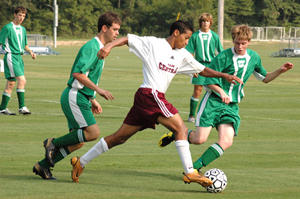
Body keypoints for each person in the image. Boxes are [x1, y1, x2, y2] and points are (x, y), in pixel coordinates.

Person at [69, 20, 243, 187]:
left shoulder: (182, 55)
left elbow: (203, 70)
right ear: (176, 33)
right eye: (186, 38)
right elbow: (127, 39)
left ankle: (81, 162)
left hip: (146, 100)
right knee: (180, 129)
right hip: (150, 94)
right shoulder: (153, 44)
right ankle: (190, 172)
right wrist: (108, 46)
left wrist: (224, 76)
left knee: (119, 138)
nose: (187, 42)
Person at [158, 25, 293, 173]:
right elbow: (206, 79)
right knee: (199, 139)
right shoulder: (223, 57)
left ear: (249, 42)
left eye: (243, 43)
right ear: (233, 40)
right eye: (237, 42)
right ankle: (176, 133)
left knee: (226, 141)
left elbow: (265, 78)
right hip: (213, 102)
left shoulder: (254, 58)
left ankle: (194, 169)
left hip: (231, 106)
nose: (240, 46)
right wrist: (221, 91)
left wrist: (281, 70)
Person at [32, 12, 121, 180]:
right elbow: (78, 74)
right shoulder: (92, 47)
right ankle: (53, 142)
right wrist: (99, 91)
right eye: (115, 29)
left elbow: (88, 75)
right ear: (104, 28)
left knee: (78, 142)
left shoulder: (100, 49)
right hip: (75, 96)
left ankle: (42, 166)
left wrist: (92, 98)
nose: (117, 33)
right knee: (93, 132)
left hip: (82, 96)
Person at [186, 13, 223, 123]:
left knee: (216, 90)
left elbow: (221, 53)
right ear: (200, 23)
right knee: (198, 90)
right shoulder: (195, 36)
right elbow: (190, 53)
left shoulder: (215, 36)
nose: (205, 23)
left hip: (212, 66)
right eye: (203, 21)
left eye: (207, 21)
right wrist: (193, 68)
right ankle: (192, 115)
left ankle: (215, 114)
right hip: (199, 66)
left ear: (210, 23)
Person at [0, 6, 36, 115]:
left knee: (11, 83)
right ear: (15, 15)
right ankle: (22, 107)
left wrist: (30, 52)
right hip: (11, 56)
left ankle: (2, 109)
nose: (21, 18)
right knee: (22, 80)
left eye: (24, 16)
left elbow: (24, 45)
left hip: (19, 58)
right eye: (20, 15)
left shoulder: (23, 29)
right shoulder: (8, 28)